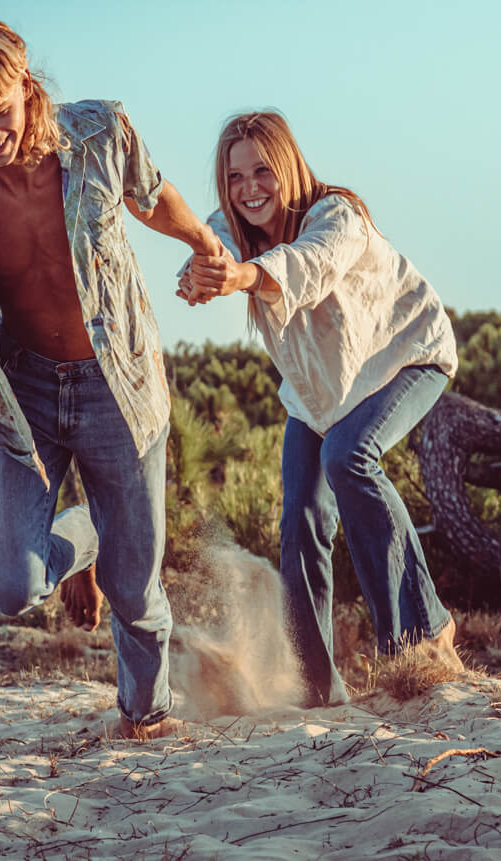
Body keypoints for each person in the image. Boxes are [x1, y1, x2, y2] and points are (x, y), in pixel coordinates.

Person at [0, 19, 221, 738]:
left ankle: (145, 714)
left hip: (120, 383)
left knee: (136, 592)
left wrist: (205, 243)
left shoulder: (100, 132)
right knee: (11, 586)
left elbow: (151, 194)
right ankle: (84, 538)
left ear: (28, 89)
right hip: (25, 395)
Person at [180, 111, 465, 707]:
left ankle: (424, 633)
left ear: (289, 167)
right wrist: (201, 272)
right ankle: (317, 688)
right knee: (300, 521)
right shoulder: (232, 226)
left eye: (263, 171)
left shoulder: (338, 218)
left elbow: (306, 268)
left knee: (350, 458)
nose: (250, 188)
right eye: (236, 178)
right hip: (319, 395)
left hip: (405, 356)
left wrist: (240, 277)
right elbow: (213, 247)